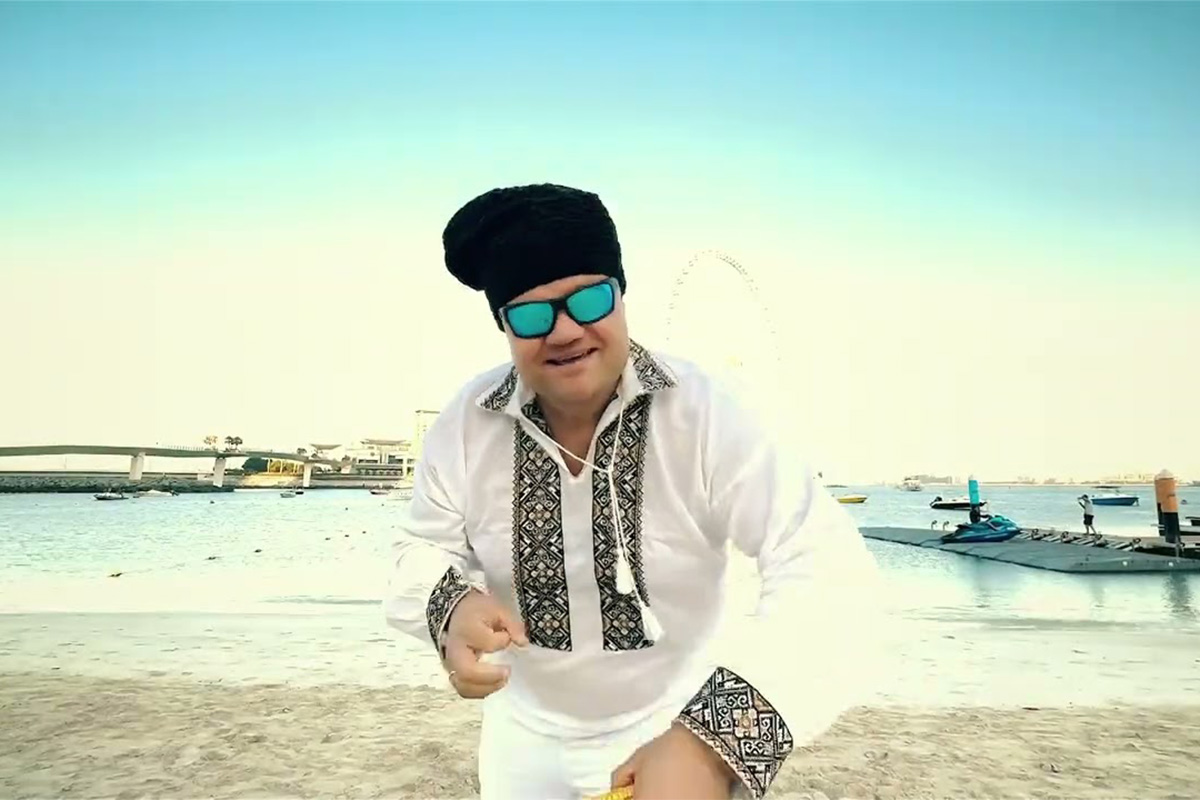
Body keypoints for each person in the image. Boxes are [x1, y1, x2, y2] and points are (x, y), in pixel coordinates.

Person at [383, 183, 881, 800]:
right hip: (522, 743)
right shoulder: (466, 422)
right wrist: (449, 607)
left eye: (589, 300)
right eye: (532, 316)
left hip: (674, 730)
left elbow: (829, 569)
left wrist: (711, 747)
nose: (565, 332)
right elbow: (419, 548)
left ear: (621, 293)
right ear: (504, 327)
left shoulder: (707, 412)